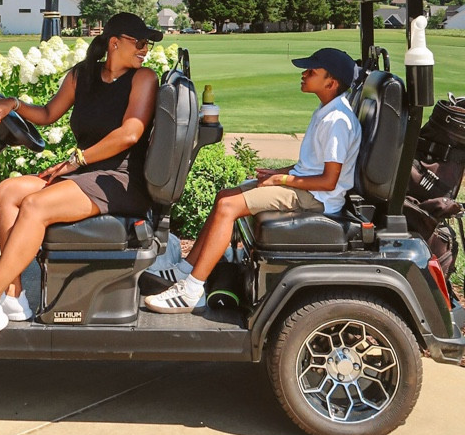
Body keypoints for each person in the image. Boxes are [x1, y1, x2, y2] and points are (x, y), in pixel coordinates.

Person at [0, 13, 162, 347]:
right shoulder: (81, 76)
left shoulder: (144, 78)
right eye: (139, 42)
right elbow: (47, 114)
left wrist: (77, 160)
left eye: (148, 44)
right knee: (9, 191)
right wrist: (13, 104)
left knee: (36, 205)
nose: (145, 49)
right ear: (115, 43)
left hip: (119, 179)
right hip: (86, 174)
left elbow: (130, 134)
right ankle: (13, 296)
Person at [145, 47, 362, 315]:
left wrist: (284, 179)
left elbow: (329, 181)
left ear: (331, 82)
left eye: (311, 71)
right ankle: (184, 270)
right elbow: (313, 166)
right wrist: (278, 173)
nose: (303, 75)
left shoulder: (337, 120)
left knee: (228, 208)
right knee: (225, 196)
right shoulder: (327, 110)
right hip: (308, 189)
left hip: (317, 199)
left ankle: (191, 291)